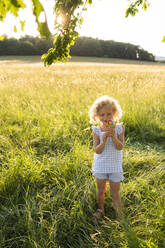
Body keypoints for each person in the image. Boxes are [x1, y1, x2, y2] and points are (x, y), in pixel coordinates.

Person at [89, 95, 125, 219]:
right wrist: (103, 141)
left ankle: (119, 214)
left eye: (109, 114)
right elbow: (97, 150)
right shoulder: (96, 130)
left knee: (115, 192)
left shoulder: (119, 128)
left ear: (114, 113)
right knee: (101, 190)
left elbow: (120, 147)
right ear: (97, 116)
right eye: (102, 115)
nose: (106, 118)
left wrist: (114, 136)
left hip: (115, 165)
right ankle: (100, 209)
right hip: (101, 165)